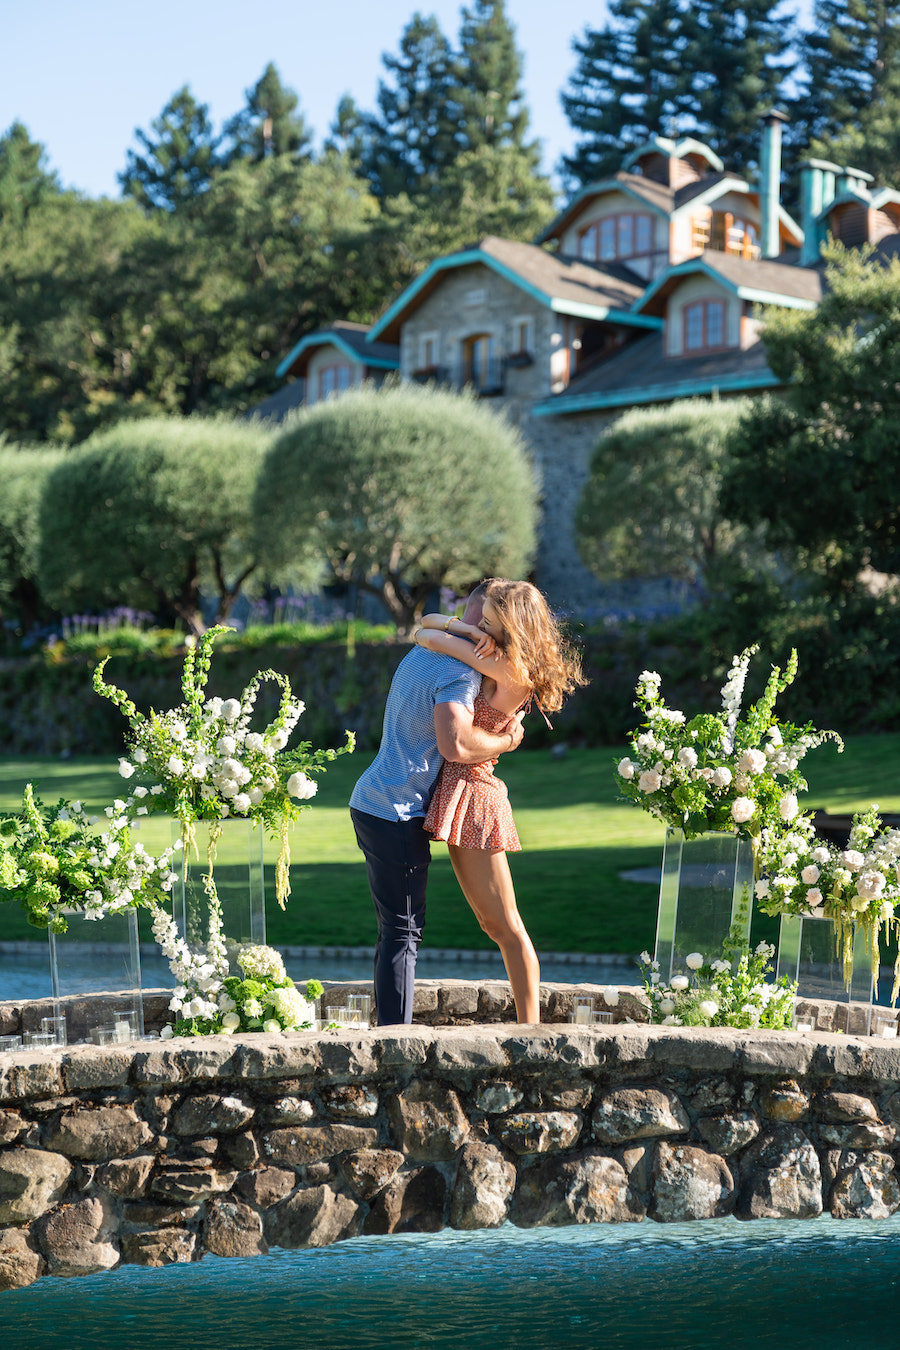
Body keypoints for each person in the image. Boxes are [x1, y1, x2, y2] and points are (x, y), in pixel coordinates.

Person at [349, 584, 525, 1026]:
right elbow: (455, 746)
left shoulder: (425, 652)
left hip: (370, 799)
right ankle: (395, 1040)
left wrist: (444, 627)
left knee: (393, 929)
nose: (482, 628)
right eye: (485, 621)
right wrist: (508, 741)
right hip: (398, 808)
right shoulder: (460, 670)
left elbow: (425, 628)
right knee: (403, 931)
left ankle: (389, 1029)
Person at [413, 578, 586, 1024]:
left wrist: (463, 634)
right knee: (496, 925)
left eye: (489, 622)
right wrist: (469, 630)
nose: (481, 628)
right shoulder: (496, 655)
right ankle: (529, 1024)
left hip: (474, 796)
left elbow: (428, 636)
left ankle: (531, 1028)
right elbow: (427, 624)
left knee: (504, 925)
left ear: (512, 626)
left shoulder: (508, 667)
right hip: (461, 788)